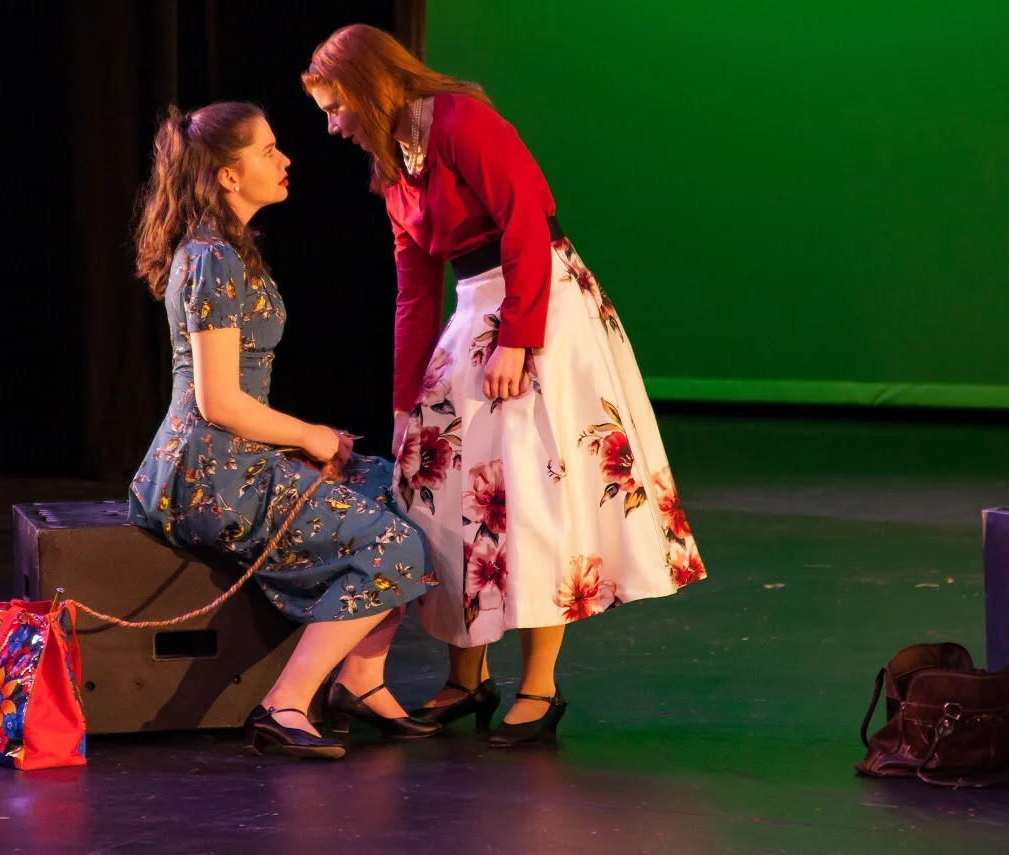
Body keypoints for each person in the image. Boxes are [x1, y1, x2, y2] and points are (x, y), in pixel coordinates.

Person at [303, 26, 707, 746]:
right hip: (475, 309)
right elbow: (414, 291)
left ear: (368, 88)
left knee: (530, 490)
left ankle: (539, 688)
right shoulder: (394, 166)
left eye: (336, 108)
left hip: (537, 301)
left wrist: (520, 337)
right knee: (446, 490)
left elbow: (525, 221)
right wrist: (402, 402)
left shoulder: (460, 121)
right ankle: (467, 676)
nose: (333, 126)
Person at [128, 101, 441, 760]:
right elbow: (219, 402)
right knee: (396, 546)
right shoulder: (212, 257)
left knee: (403, 493)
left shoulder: (228, 247)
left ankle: (360, 680)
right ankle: (285, 704)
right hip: (211, 477)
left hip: (241, 456)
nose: (286, 159)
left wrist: (308, 439)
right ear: (227, 176)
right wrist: (311, 437)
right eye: (268, 151)